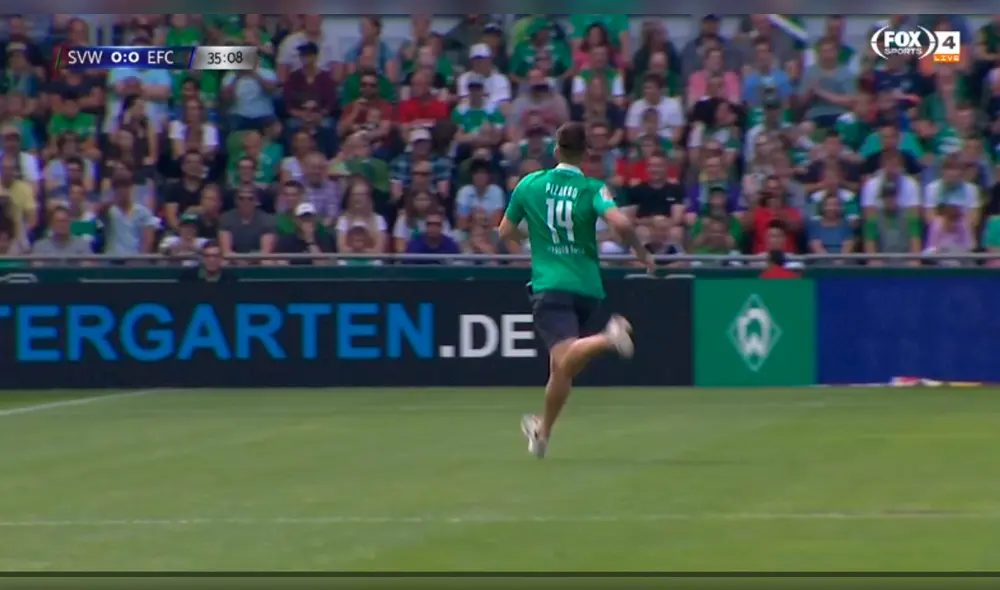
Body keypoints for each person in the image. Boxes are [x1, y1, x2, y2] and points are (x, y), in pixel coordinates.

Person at [498, 122, 653, 459]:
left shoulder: (530, 184)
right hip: (587, 289)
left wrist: (532, 235)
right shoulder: (592, 188)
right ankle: (542, 434)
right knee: (561, 369)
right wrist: (641, 252)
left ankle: (608, 338)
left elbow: (505, 231)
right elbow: (622, 223)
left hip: (551, 285)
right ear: (585, 154)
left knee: (564, 358)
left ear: (556, 150)